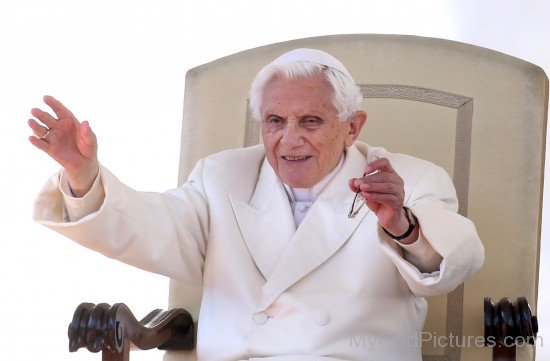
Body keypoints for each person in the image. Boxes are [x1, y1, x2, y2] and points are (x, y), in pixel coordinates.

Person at [30, 48, 484, 361]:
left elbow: (453, 264)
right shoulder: (221, 176)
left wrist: (402, 225)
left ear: (352, 127)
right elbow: (153, 227)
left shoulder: (409, 178)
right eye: (274, 121)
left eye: (310, 121)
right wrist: (83, 175)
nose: (289, 140)